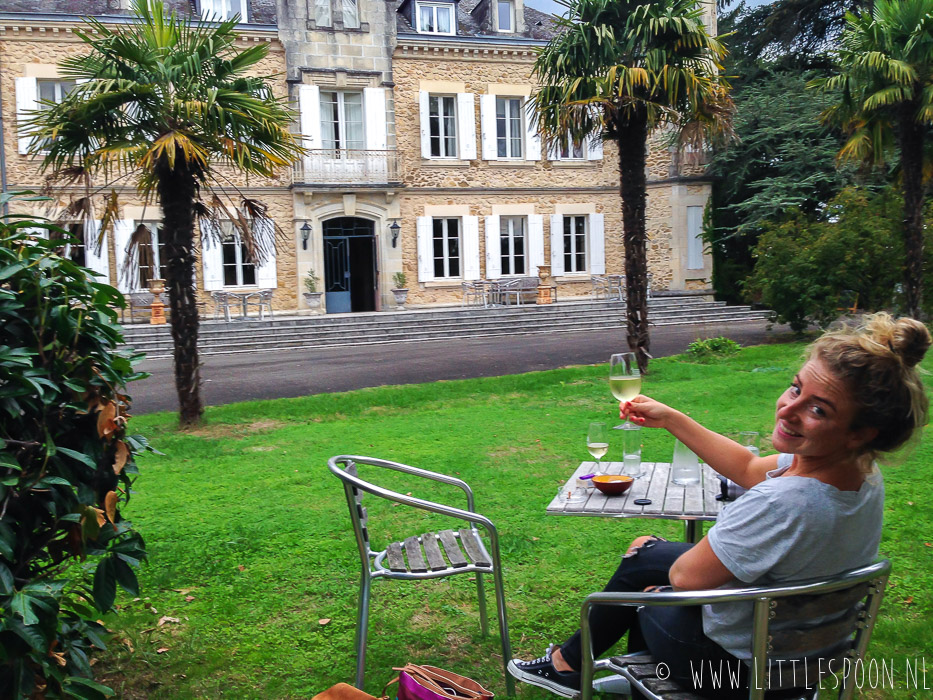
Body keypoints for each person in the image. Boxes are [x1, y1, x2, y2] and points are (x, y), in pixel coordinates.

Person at [508, 313, 930, 699]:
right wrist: (672, 418)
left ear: (859, 432)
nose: (789, 409)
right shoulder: (859, 474)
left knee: (647, 594)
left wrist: (664, 594)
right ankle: (574, 663)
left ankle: (617, 671)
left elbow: (686, 578)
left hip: (738, 668)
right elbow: (747, 466)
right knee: (645, 554)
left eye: (818, 409)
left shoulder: (787, 501)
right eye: (797, 388)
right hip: (805, 657)